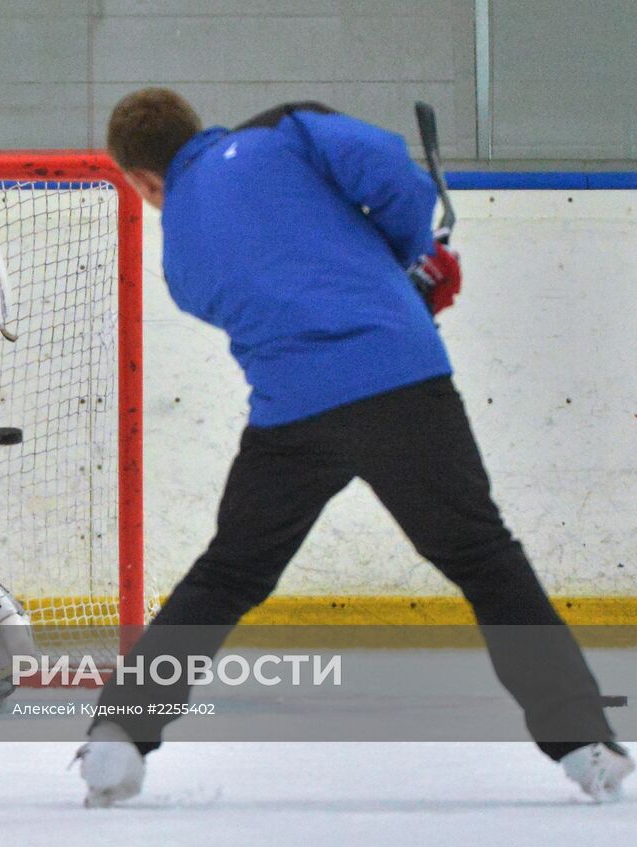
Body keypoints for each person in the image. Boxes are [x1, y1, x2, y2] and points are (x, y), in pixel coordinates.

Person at [76, 88, 632, 806]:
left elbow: (271, 293)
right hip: (399, 382)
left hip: (291, 415)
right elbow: (394, 176)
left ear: (145, 181)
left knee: (226, 576)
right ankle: (585, 744)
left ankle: (119, 737)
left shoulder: (180, 254)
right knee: (484, 558)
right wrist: (413, 260)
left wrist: (394, 275)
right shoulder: (288, 129)